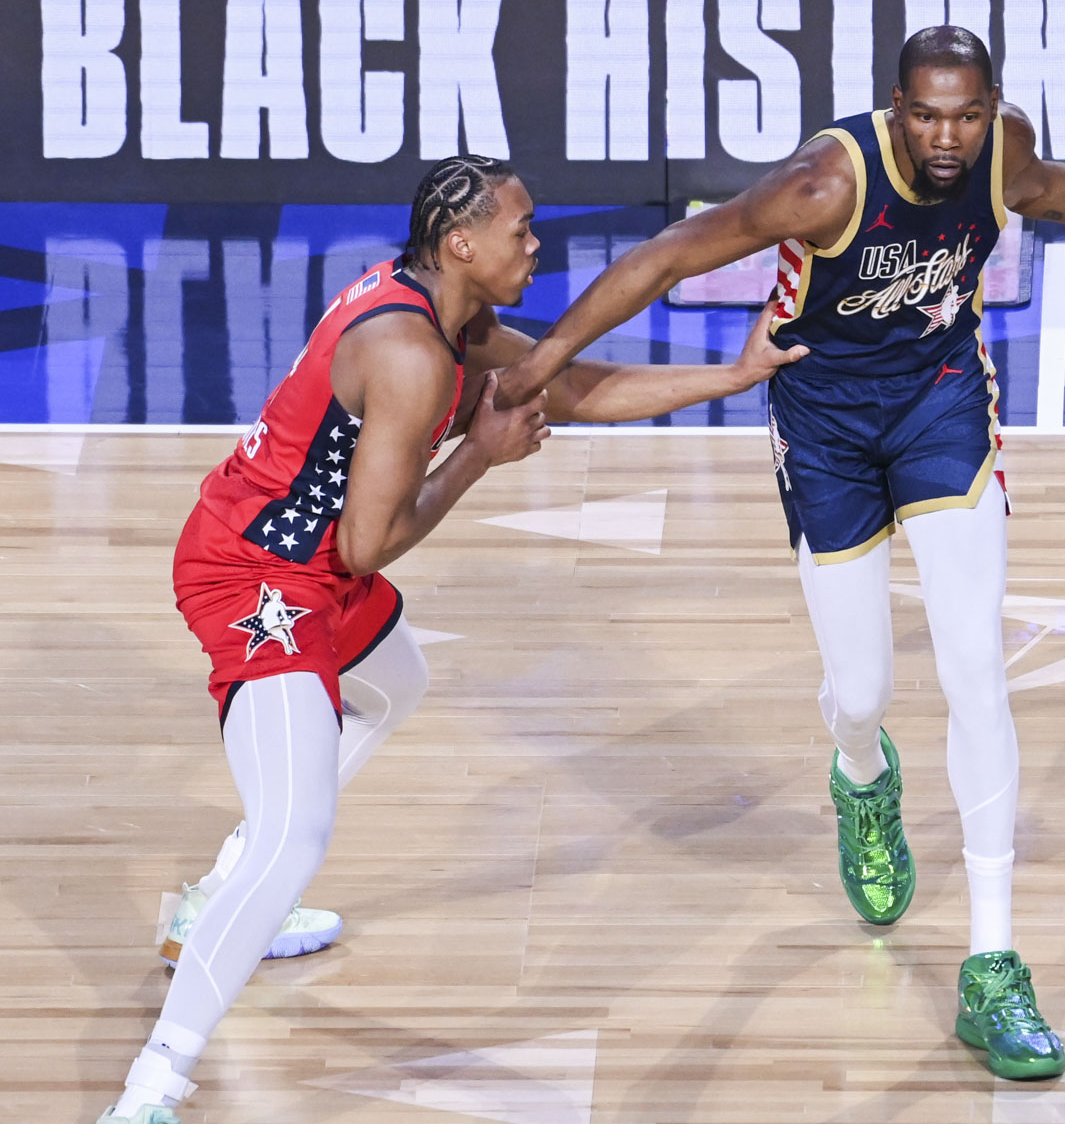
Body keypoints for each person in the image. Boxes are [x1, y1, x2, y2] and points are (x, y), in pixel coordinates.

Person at [496, 26, 1065, 1080]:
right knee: (860, 690)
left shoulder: (1003, 151)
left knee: (976, 671)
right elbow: (667, 255)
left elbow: (1057, 191)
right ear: (896, 107)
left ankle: (994, 964)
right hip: (822, 422)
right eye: (928, 115)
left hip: (940, 404)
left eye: (967, 114)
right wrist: (542, 361)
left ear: (991, 106)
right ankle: (862, 776)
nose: (948, 137)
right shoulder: (824, 182)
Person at [98, 154, 805, 1124]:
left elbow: (566, 384)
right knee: (296, 837)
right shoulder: (410, 353)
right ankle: (152, 1087)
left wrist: (734, 374)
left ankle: (216, 897)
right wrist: (479, 452)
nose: (537, 244)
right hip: (254, 574)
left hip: (309, 565)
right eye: (521, 229)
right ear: (462, 242)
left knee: (396, 681)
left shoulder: (447, 317)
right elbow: (370, 542)